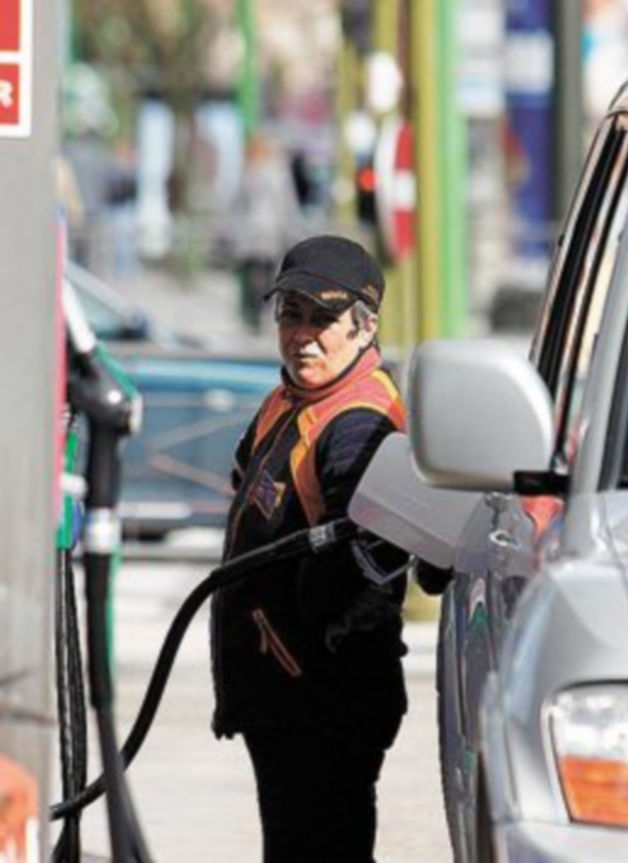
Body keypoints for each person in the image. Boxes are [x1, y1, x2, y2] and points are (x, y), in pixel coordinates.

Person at [210, 235, 408, 863]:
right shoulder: (289, 399)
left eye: (323, 318)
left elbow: (377, 556)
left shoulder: (358, 422)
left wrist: (307, 624)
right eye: (290, 314)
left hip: (323, 705)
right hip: (282, 700)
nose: (304, 335)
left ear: (364, 325)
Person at [228, 134, 306, 332]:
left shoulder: (249, 174)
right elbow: (286, 206)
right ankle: (260, 316)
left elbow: (238, 208)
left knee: (256, 277)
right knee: (265, 276)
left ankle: (254, 317)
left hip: (253, 235)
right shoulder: (275, 174)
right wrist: (292, 231)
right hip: (267, 235)